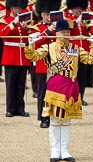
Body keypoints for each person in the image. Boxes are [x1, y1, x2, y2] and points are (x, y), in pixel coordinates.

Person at [24, 19, 93, 162]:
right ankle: (54, 151)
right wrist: (30, 43)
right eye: (63, 32)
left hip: (71, 87)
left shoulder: (75, 48)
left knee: (66, 121)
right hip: (55, 87)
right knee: (54, 120)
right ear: (57, 33)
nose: (66, 34)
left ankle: (64, 151)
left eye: (68, 32)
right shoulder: (49, 47)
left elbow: (91, 60)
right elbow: (32, 56)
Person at [28, 0, 61, 128]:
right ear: (41, 14)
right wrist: (48, 31)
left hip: (57, 65)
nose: (48, 17)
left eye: (50, 14)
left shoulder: (59, 27)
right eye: (46, 14)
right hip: (43, 65)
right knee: (43, 93)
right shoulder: (36, 28)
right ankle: (43, 117)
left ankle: (55, 115)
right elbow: (35, 43)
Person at [0, 0, 31, 117]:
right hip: (11, 57)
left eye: (19, 8)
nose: (18, 10)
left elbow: (29, 37)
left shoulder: (25, 22)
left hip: (22, 56)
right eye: (16, 8)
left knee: (21, 85)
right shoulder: (4, 20)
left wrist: (27, 28)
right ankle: (10, 109)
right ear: (11, 8)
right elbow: (3, 33)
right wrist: (15, 22)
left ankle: (20, 108)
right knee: (11, 85)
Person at [65, 0, 90, 106]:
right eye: (76, 8)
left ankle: (80, 97)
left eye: (80, 8)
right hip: (71, 51)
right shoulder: (67, 17)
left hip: (83, 51)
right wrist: (78, 20)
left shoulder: (85, 18)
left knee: (82, 77)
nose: (78, 10)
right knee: (72, 77)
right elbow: (67, 28)